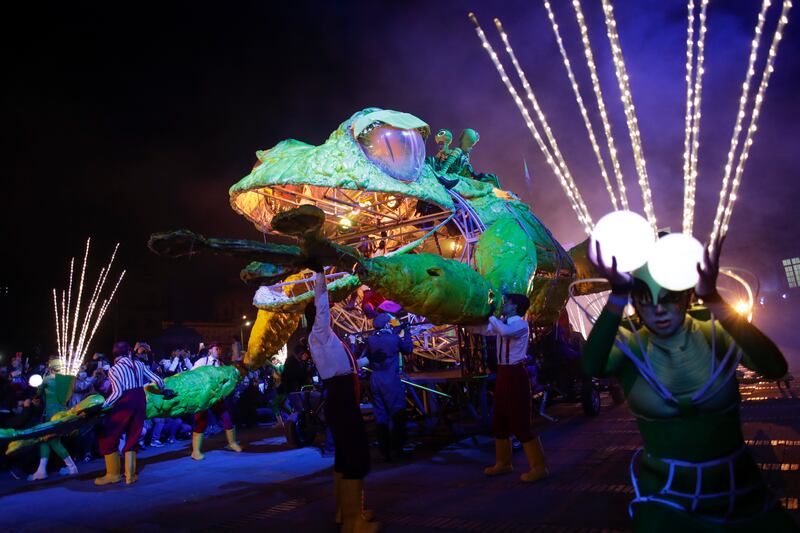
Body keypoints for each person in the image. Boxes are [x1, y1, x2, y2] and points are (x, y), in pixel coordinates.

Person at [583, 235, 796, 531]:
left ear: (685, 294)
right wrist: (617, 296)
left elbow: (774, 367)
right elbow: (592, 366)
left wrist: (713, 298)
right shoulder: (629, 343)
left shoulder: (714, 332)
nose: (658, 309)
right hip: (666, 498)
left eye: (669, 297)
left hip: (740, 492)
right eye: (645, 297)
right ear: (635, 299)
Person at [307, 270, 378, 532]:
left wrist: (362, 362)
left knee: (344, 458)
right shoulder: (320, 332)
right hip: (342, 399)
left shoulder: (323, 339)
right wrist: (319, 274)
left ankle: (347, 512)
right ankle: (353, 523)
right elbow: (321, 302)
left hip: (340, 396)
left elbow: (340, 366)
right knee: (355, 457)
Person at [469, 293, 547, 483]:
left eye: (508, 302)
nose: (505, 304)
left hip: (515, 374)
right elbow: (483, 329)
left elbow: (503, 331)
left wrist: (491, 315)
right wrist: (465, 320)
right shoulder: (502, 323)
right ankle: (503, 463)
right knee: (500, 419)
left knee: (520, 421)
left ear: (516, 307)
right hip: (503, 374)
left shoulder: (520, 324)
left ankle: (539, 467)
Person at [95, 341, 169, 486]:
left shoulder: (114, 369)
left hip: (125, 402)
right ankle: (130, 476)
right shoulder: (139, 364)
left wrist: (104, 405)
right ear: (129, 352)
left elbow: (117, 392)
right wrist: (161, 390)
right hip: (140, 400)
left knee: (109, 434)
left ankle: (113, 474)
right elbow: (159, 381)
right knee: (133, 435)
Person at [362, 313, 413, 461]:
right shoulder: (393, 339)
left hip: (376, 380)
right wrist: (407, 332)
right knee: (398, 414)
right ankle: (398, 449)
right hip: (390, 380)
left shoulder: (371, 340)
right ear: (386, 325)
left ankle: (385, 451)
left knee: (381, 416)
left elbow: (379, 346)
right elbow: (408, 349)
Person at [28, 359, 80, 480]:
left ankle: (72, 468)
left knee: (53, 441)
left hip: (51, 414)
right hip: (62, 413)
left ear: (51, 368)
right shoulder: (66, 379)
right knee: (44, 439)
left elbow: (38, 393)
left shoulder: (47, 379)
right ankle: (41, 470)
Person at [190, 341, 242, 460]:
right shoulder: (202, 361)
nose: (219, 351)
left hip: (217, 398)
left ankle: (232, 443)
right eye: (216, 349)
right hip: (204, 397)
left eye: (220, 349)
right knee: (201, 421)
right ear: (210, 350)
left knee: (226, 418)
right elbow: (191, 375)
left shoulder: (221, 364)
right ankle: (195, 451)